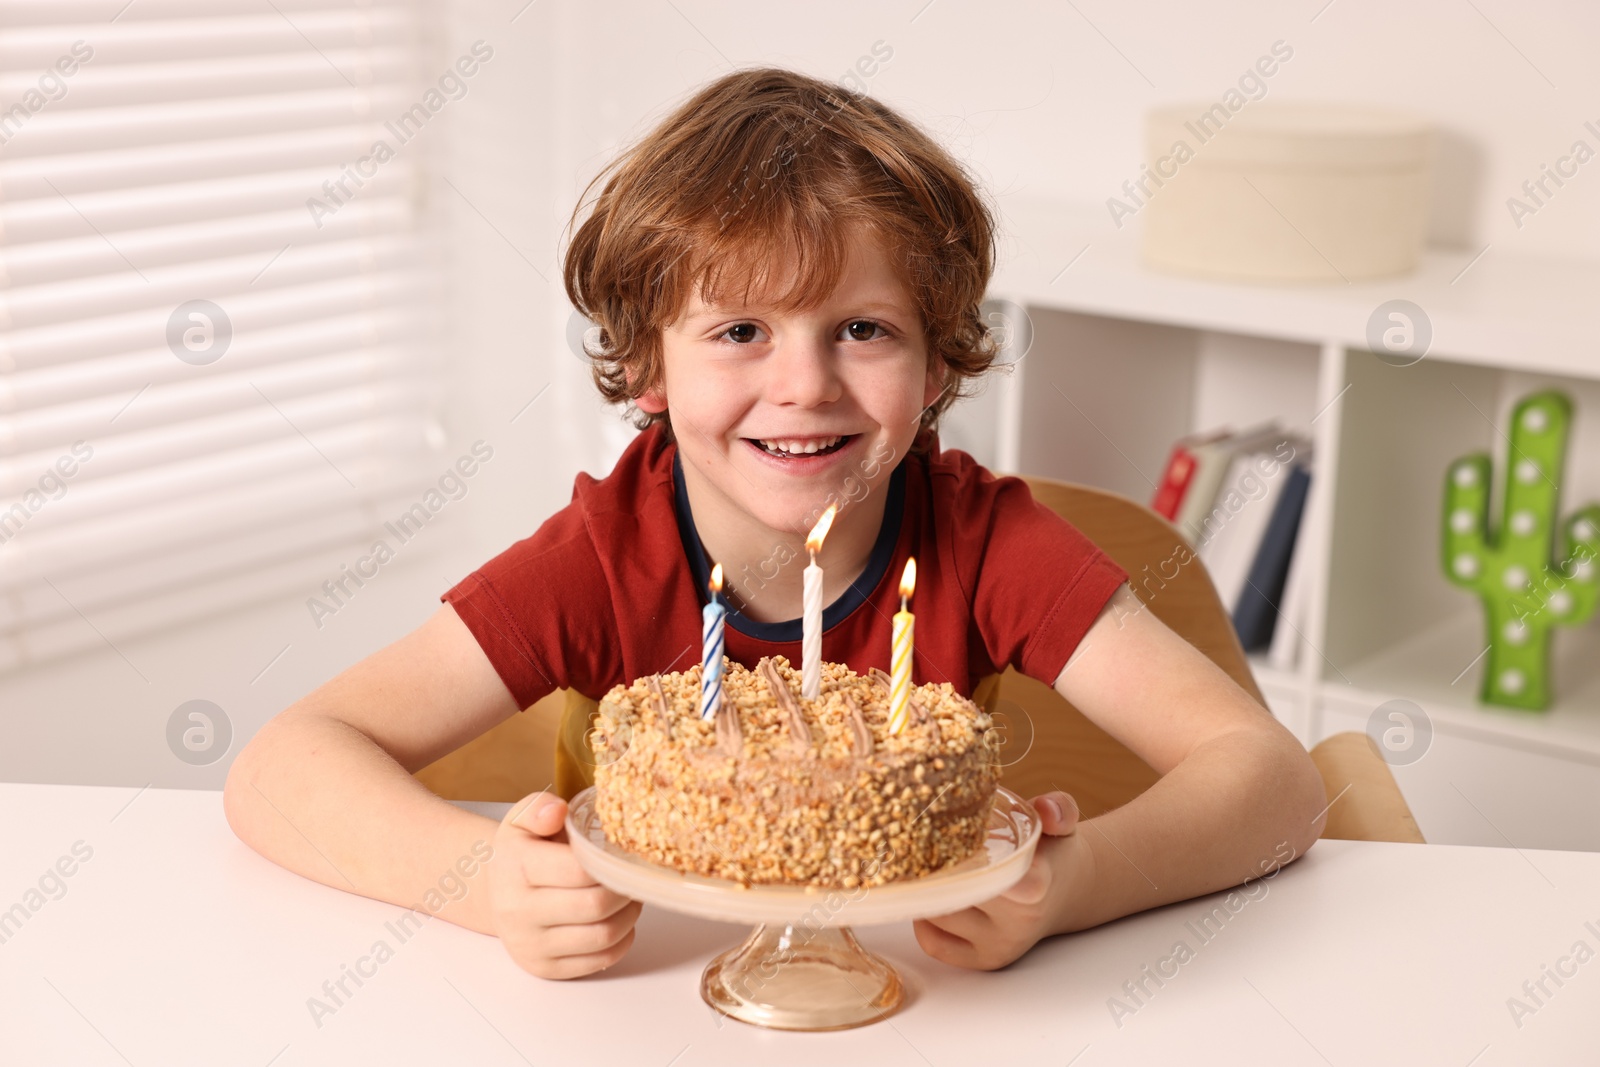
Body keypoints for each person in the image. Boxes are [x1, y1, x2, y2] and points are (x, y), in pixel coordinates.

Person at [224, 67, 1326, 982]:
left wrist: (1074, 884)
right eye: (741, 327)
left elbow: (1273, 779)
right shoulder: (605, 557)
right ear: (648, 365)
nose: (803, 385)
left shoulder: (984, 543)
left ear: (940, 359)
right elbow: (282, 765)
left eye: (862, 328)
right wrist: (482, 882)